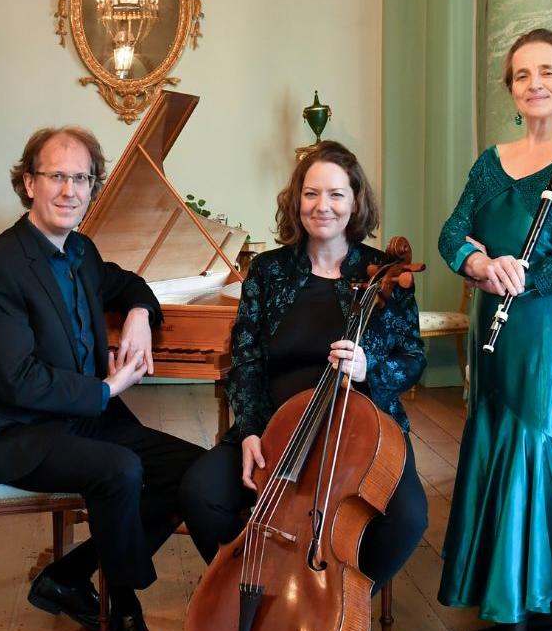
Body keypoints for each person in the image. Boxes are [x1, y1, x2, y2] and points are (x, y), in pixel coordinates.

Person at [0, 126, 206, 631]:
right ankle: (125, 613)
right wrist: (107, 389)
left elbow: (130, 283)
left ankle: (67, 576)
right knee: (120, 470)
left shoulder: (82, 252)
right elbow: (16, 379)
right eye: (57, 176)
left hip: (80, 420)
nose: (71, 190)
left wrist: (139, 312)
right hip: (14, 432)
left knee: (192, 472)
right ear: (28, 183)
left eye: (83, 178)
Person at [178, 141, 429, 594]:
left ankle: (338, 602)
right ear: (297, 201)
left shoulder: (387, 273)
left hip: (363, 433)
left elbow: (413, 358)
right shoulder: (269, 271)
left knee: (408, 516)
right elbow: (246, 358)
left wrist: (370, 368)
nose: (323, 206)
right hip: (277, 428)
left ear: (356, 201)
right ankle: (256, 590)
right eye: (311, 194)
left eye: (336, 194)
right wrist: (252, 428)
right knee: (200, 491)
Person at [436, 28, 552, 631]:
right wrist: (480, 266)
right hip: (496, 318)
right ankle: (535, 611)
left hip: (549, 324)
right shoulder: (491, 162)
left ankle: (520, 615)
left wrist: (523, 275)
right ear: (512, 90)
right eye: (521, 75)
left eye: (547, 72)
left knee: (532, 449)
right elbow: (451, 231)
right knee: (494, 445)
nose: (534, 83)